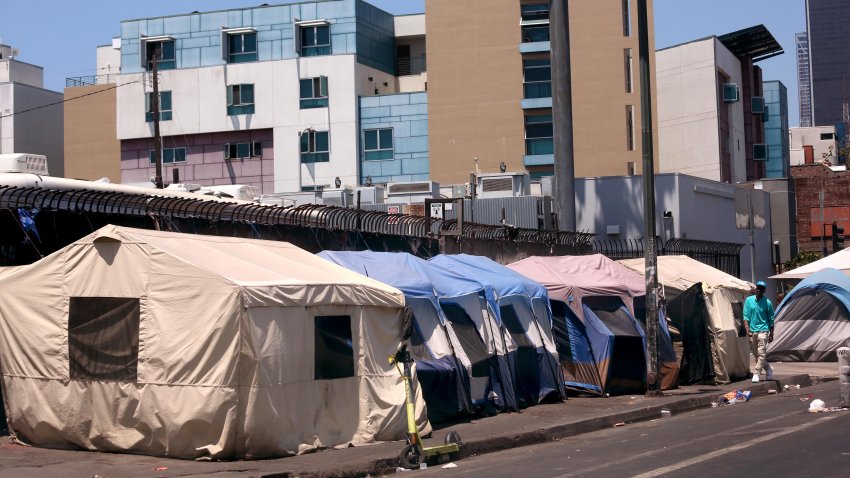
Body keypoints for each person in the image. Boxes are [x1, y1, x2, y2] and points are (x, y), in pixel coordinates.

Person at [743, 280, 775, 383]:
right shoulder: (749, 300)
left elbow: (771, 319)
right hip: (752, 331)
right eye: (757, 288)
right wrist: (747, 328)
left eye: (761, 289)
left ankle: (756, 373)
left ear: (764, 290)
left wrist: (771, 333)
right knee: (756, 354)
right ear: (755, 289)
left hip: (763, 330)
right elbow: (746, 315)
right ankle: (768, 368)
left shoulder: (767, 302)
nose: (758, 290)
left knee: (761, 353)